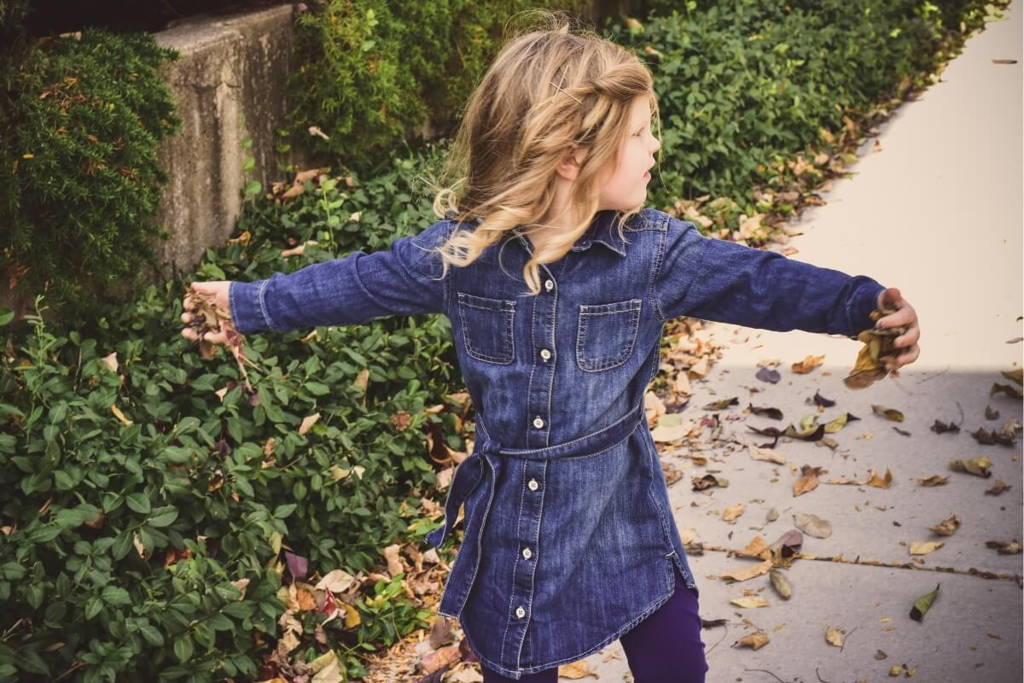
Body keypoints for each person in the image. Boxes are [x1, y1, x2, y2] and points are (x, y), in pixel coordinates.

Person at [180, 12, 920, 682]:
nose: (655, 144)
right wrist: (249, 302)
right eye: (638, 133)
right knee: (516, 665)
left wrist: (862, 307)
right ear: (573, 154)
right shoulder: (463, 255)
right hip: (514, 522)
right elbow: (363, 283)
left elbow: (760, 281)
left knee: (676, 665)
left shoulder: (654, 254)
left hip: (618, 506)